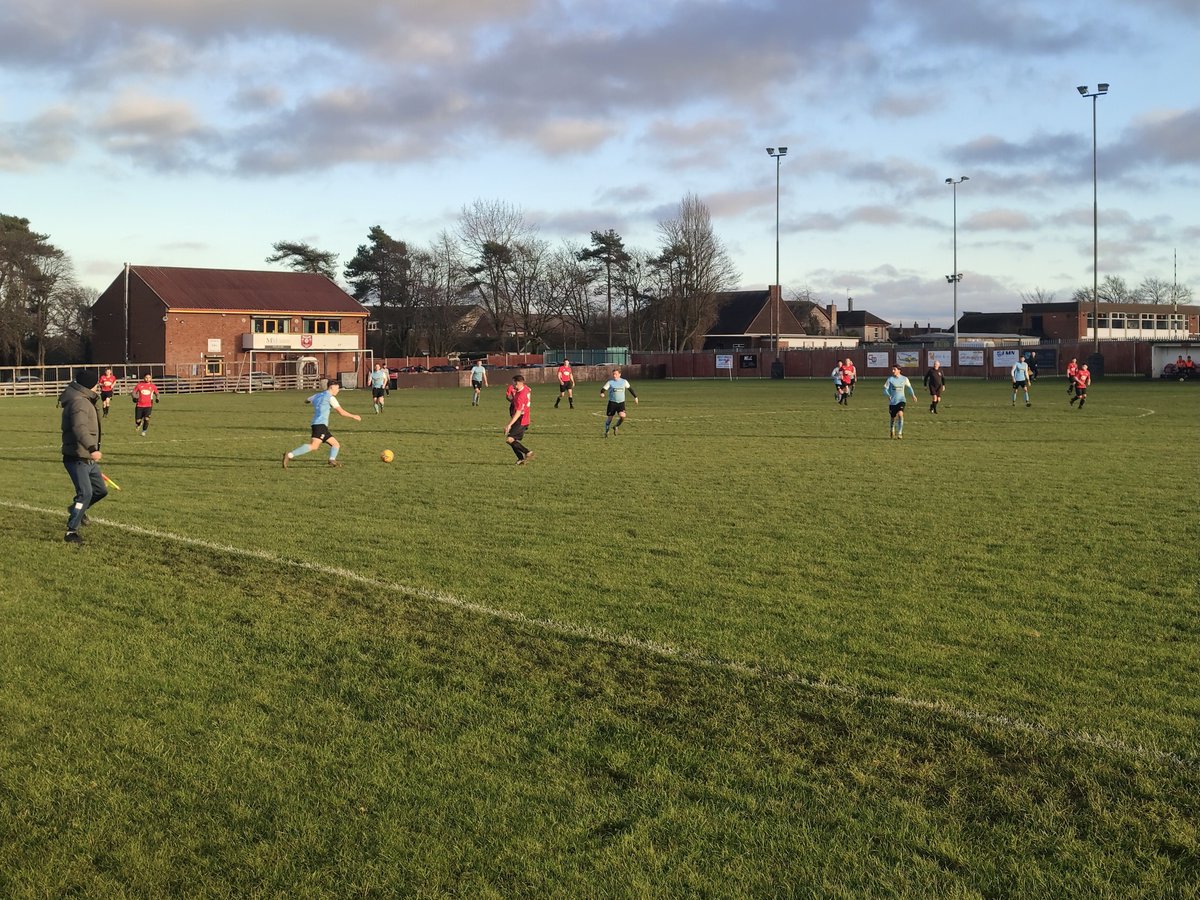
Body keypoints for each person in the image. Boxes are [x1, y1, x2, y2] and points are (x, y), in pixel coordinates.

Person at [59, 367, 107, 544]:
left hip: (87, 457)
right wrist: (92, 447)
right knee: (85, 494)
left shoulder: (86, 400)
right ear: (90, 385)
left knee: (100, 491)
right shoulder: (79, 402)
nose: (99, 387)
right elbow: (79, 428)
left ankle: (76, 508)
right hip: (77, 456)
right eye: (97, 384)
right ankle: (71, 532)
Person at [282, 380, 362, 468]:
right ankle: (289, 455)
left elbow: (307, 400)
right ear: (331, 387)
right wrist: (353, 416)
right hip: (320, 424)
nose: (338, 390)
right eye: (337, 388)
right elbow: (341, 412)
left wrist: (311, 402)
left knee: (335, 444)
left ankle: (332, 460)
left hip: (317, 424)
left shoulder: (318, 395)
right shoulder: (330, 398)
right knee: (314, 446)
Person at [504, 374, 534, 464]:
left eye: (513, 384)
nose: (512, 386)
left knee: (509, 439)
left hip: (521, 420)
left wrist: (509, 424)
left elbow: (518, 412)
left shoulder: (520, 396)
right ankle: (521, 459)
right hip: (524, 418)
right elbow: (529, 389)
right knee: (511, 440)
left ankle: (527, 452)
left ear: (518, 383)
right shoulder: (525, 388)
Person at [601, 368, 638, 436]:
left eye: (616, 374)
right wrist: (602, 393)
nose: (614, 375)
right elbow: (603, 389)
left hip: (621, 403)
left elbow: (630, 389)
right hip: (612, 403)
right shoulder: (610, 382)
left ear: (619, 374)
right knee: (609, 419)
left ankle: (616, 426)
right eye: (613, 374)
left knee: (623, 416)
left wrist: (635, 397)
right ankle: (606, 430)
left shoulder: (624, 381)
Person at [883, 365, 916, 439]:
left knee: (900, 414)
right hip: (893, 402)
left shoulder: (904, 379)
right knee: (893, 418)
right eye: (892, 369)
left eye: (894, 369)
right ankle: (892, 429)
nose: (893, 371)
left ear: (899, 370)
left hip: (901, 400)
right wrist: (888, 395)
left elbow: (909, 387)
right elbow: (884, 390)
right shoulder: (890, 379)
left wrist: (913, 395)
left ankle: (900, 433)